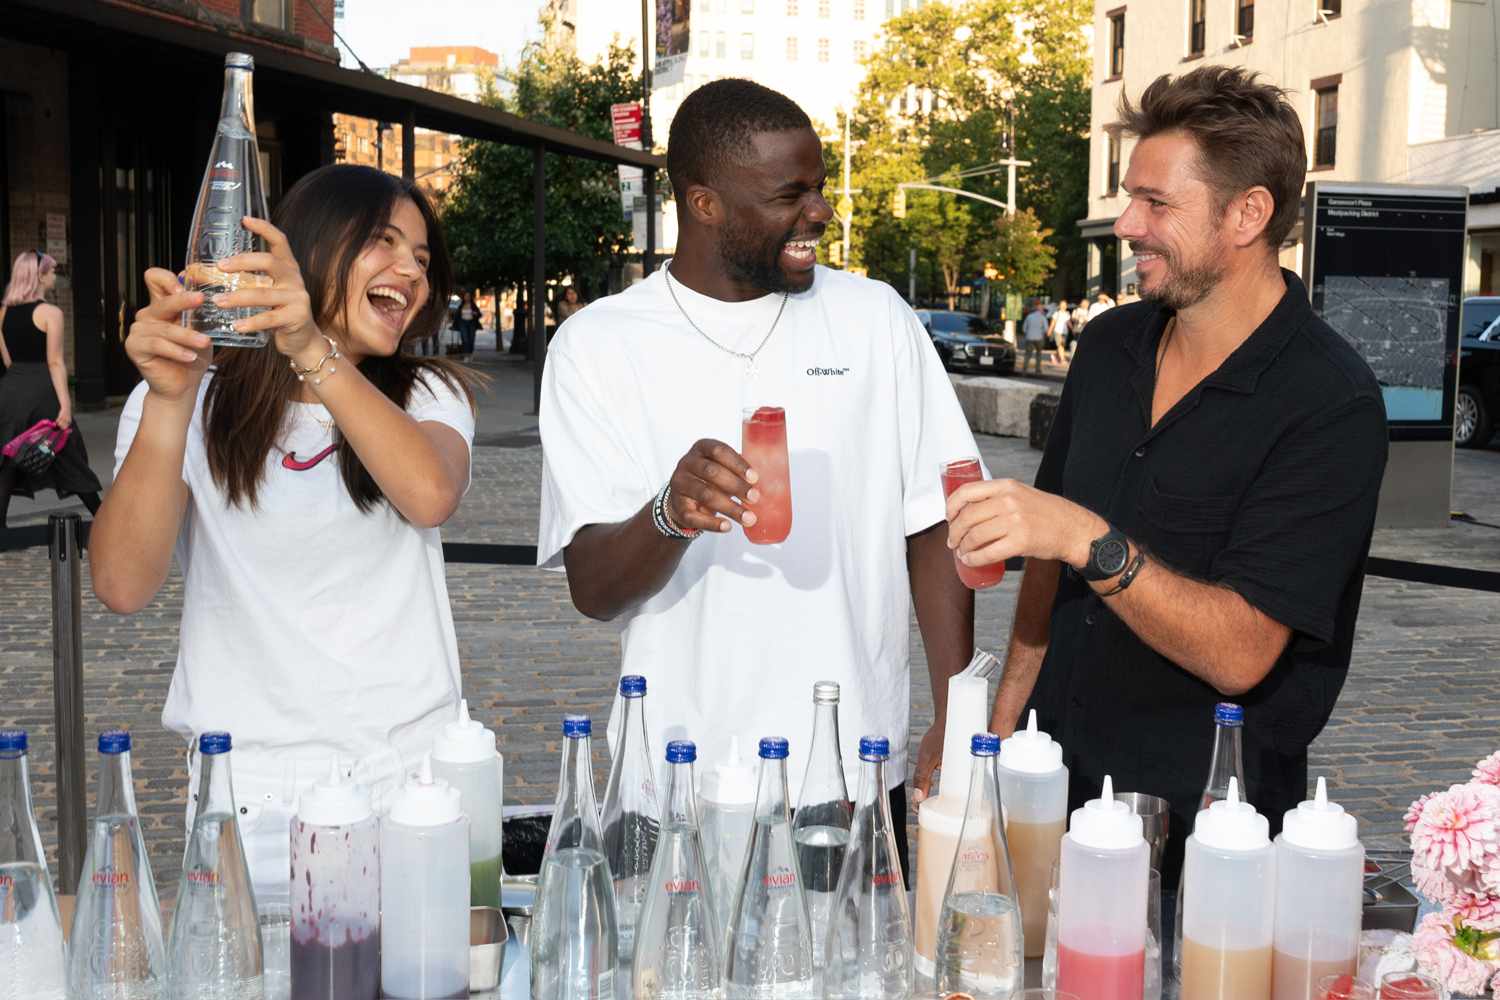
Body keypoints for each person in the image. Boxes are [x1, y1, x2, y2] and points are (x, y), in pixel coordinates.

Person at [944, 65, 1388, 884]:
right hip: (1050, 788)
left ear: (1247, 213)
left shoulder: (1331, 402)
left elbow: (1243, 652)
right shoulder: (1112, 348)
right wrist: (1006, 719)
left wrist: (1087, 538)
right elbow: (1047, 554)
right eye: (1128, 196)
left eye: (1156, 203)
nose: (1125, 224)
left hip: (1209, 832)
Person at [537, 78, 981, 869]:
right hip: (669, 775)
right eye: (790, 194)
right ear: (704, 204)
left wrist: (954, 711)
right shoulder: (598, 345)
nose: (820, 213)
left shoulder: (875, 318)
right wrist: (669, 513)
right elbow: (593, 590)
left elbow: (934, 521)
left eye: (819, 187)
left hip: (845, 770)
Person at [88, 164, 479, 904]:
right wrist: (171, 400)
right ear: (307, 250)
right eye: (384, 243)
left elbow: (429, 494)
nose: (411, 272)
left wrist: (310, 350)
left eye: (423, 259)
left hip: (413, 780)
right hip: (252, 795)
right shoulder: (191, 400)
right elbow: (121, 583)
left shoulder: (429, 395)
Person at [0, 250, 104, 526]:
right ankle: (104, 521)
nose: (55, 277)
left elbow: (8, 359)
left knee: (7, 462)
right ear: (39, 276)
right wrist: (65, 405)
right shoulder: (50, 313)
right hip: (43, 392)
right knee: (68, 456)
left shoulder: (2, 313)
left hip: (10, 393)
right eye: (52, 272)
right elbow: (55, 362)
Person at [1020, 298, 1048, 375]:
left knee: (1028, 354)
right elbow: (1046, 329)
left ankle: (1024, 370)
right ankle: (1037, 370)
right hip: (1039, 338)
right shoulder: (1043, 317)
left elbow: (1024, 328)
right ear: (1041, 310)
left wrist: (1028, 333)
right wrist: (1042, 333)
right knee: (1038, 354)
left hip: (1029, 337)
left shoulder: (1029, 316)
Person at [1049, 298, 1073, 365]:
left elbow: (1069, 323)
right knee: (1060, 345)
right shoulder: (1056, 313)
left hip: (1065, 332)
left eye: (1065, 305)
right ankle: (1062, 359)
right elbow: (1053, 323)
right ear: (1059, 306)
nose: (1063, 306)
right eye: (1062, 305)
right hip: (1057, 331)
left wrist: (1072, 329)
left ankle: (1054, 356)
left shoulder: (1067, 314)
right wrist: (1049, 331)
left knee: (1062, 346)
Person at [457, 290, 480, 357]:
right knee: (465, 340)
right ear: (464, 297)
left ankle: (470, 353)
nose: (467, 297)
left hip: (471, 323)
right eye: (466, 296)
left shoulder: (473, 305)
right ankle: (466, 355)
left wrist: (475, 313)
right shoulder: (461, 305)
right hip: (463, 323)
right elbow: (457, 315)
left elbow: (479, 313)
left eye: (468, 296)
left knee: (471, 340)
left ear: (470, 297)